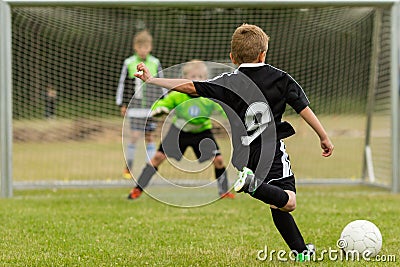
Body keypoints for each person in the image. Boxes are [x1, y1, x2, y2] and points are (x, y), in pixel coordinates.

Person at [134, 24, 334, 261]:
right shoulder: (281, 79)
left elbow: (189, 87)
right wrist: (323, 136)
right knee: (288, 201)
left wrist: (153, 79)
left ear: (232, 57)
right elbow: (303, 109)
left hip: (243, 155)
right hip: (270, 150)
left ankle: (301, 252)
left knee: (275, 201)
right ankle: (253, 185)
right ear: (263, 53)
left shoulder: (228, 81)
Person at [128, 60, 235, 200]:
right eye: (193, 76)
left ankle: (224, 192)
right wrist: (158, 110)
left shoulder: (209, 97)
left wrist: (234, 118)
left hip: (202, 132)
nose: (197, 80)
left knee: (219, 160)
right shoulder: (177, 95)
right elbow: (161, 104)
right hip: (178, 131)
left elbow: (225, 110)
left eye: (201, 76)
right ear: (184, 78)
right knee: (157, 158)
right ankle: (137, 189)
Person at [116, 30, 165, 179]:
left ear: (150, 47)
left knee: (149, 137)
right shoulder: (129, 62)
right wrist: (122, 104)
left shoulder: (155, 63)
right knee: (135, 136)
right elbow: (123, 84)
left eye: (146, 47)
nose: (143, 50)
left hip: (150, 108)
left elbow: (161, 84)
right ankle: (129, 166)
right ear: (135, 47)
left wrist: (164, 102)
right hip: (135, 108)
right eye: (140, 47)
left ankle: (149, 168)